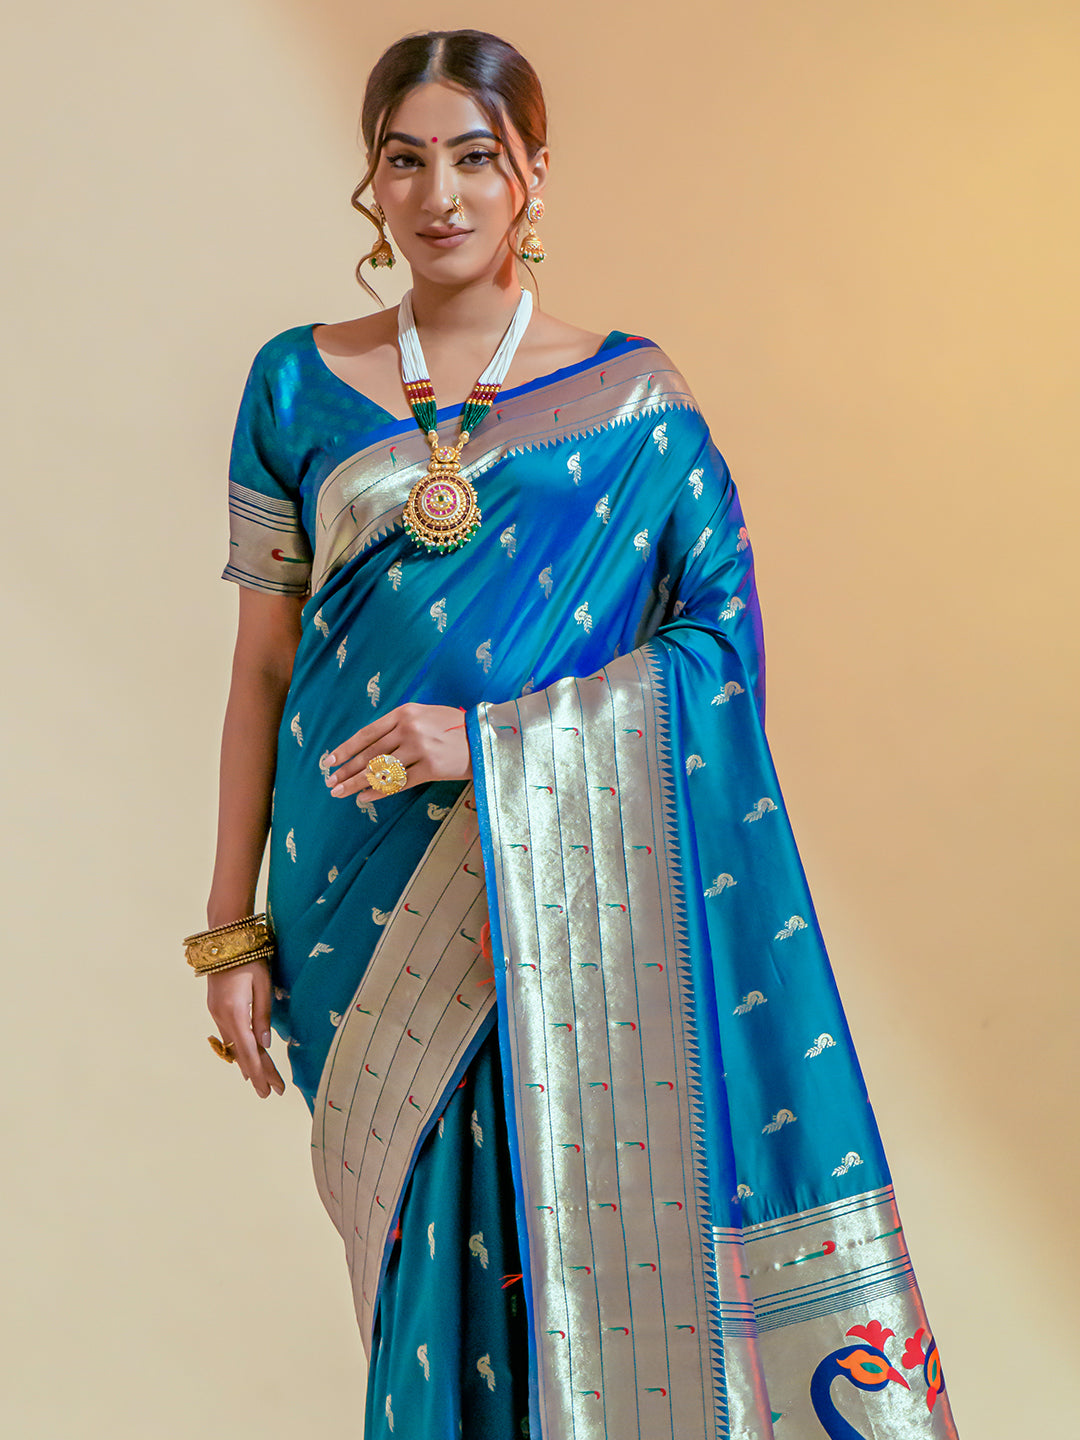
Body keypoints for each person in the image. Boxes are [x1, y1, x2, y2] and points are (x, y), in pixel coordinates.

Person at [188, 28, 959, 1440]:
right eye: (406, 161)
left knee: (568, 1248)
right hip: (351, 903)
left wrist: (492, 746)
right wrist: (230, 929)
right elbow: (261, 670)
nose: (441, 196)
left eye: (476, 158)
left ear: (534, 173)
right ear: (370, 182)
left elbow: (722, 657)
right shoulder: (293, 383)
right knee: (422, 1274)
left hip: (561, 898)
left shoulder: (638, 407)